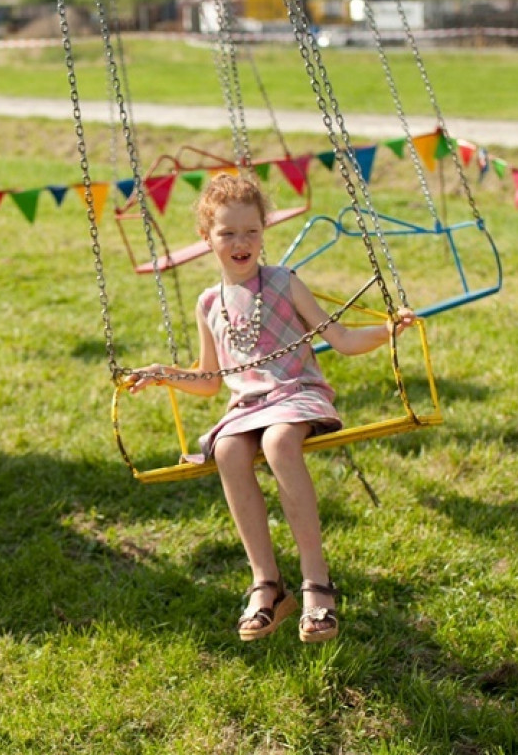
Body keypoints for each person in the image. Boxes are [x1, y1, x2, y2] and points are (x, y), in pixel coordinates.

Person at [128, 173, 416, 644]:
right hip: (245, 405)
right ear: (206, 239)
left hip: (295, 392)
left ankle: (316, 581)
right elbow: (209, 380)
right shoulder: (208, 303)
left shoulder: (283, 282)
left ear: (264, 231)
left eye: (251, 231)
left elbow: (340, 339)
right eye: (227, 233)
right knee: (228, 453)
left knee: (280, 442)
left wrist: (389, 329)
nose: (241, 243)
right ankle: (267, 582)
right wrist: (165, 373)